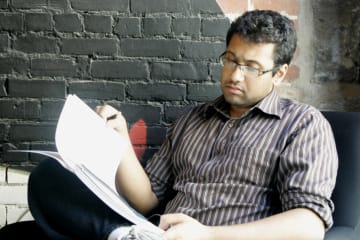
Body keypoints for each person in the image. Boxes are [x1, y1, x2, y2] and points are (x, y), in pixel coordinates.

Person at [27, 9, 338, 240]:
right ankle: (124, 236)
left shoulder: (303, 125)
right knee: (47, 180)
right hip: (158, 231)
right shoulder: (191, 120)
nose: (234, 75)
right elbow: (148, 199)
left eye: (251, 67)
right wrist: (120, 143)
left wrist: (207, 234)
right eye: (230, 59)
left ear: (279, 74)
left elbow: (309, 226)